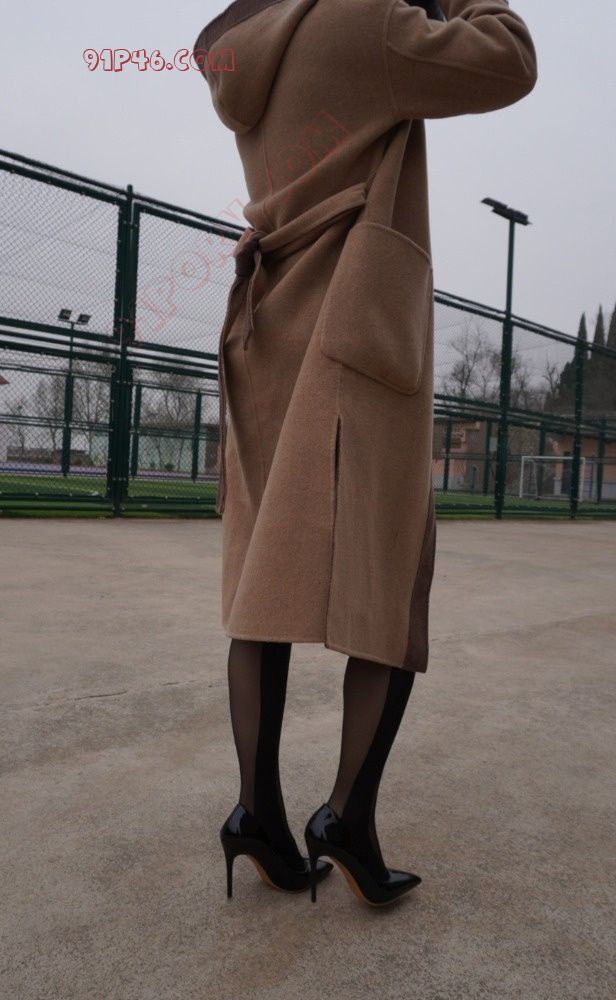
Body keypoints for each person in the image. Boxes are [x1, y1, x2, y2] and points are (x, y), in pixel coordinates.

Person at [193, 0, 537, 906]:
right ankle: (348, 817)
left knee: (263, 582)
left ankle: (257, 813)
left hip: (269, 325)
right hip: (352, 329)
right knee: (386, 578)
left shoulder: (242, 52)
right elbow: (508, 58)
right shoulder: (369, 22)